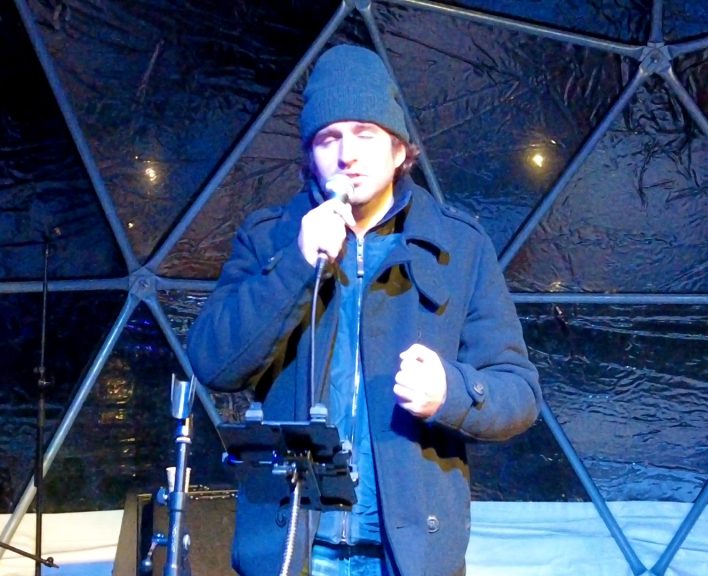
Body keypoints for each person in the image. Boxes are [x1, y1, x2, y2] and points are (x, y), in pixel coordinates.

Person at [187, 44, 541, 576]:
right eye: (328, 138)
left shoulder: (460, 246)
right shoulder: (270, 237)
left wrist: (451, 392)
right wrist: (295, 264)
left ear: (399, 150)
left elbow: (519, 392)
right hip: (294, 547)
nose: (346, 154)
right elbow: (214, 363)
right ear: (311, 154)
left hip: (408, 556)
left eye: (365, 133)